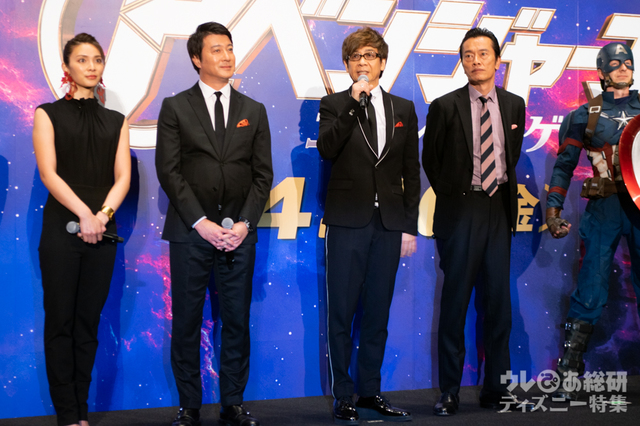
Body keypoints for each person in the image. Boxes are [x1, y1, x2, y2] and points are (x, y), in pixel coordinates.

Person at [155, 22, 273, 426]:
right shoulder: (175, 107)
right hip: (191, 233)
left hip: (239, 235)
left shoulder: (253, 110)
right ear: (196, 58)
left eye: (229, 48)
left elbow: (263, 176)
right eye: (216, 50)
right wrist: (201, 222)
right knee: (187, 321)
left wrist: (244, 224)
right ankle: (189, 406)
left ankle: (233, 403)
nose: (226, 56)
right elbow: (169, 171)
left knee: (237, 321)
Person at [423, 27, 530, 416]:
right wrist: (456, 196)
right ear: (462, 62)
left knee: (498, 305)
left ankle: (496, 389)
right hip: (461, 210)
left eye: (483, 54)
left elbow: (510, 156)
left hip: (498, 208)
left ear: (497, 60)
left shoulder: (514, 104)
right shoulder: (445, 105)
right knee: (455, 305)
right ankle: (449, 391)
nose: (475, 61)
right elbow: (431, 160)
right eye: (468, 55)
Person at [317, 27, 420, 425]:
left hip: (389, 224)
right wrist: (352, 103)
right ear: (347, 65)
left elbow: (411, 171)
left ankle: (371, 392)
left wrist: (408, 226)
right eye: (356, 57)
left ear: (382, 62)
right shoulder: (333, 104)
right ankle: (343, 395)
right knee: (342, 314)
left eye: (370, 55)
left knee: (377, 313)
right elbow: (327, 148)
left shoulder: (403, 108)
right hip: (347, 222)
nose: (363, 62)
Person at [33, 33, 131, 426]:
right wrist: (84, 214)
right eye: (82, 60)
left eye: (97, 59)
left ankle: (82, 411)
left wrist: (102, 216)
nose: (91, 66)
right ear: (66, 66)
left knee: (88, 323)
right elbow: (48, 174)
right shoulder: (47, 113)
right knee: (60, 321)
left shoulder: (117, 121)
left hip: (102, 231)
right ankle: (67, 414)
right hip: (62, 228)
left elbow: (123, 177)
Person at [546, 42, 640, 400]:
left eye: (627, 62)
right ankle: (569, 373)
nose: (623, 68)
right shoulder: (584, 115)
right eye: (614, 64)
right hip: (605, 207)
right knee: (590, 288)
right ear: (602, 72)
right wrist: (553, 210)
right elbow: (564, 165)